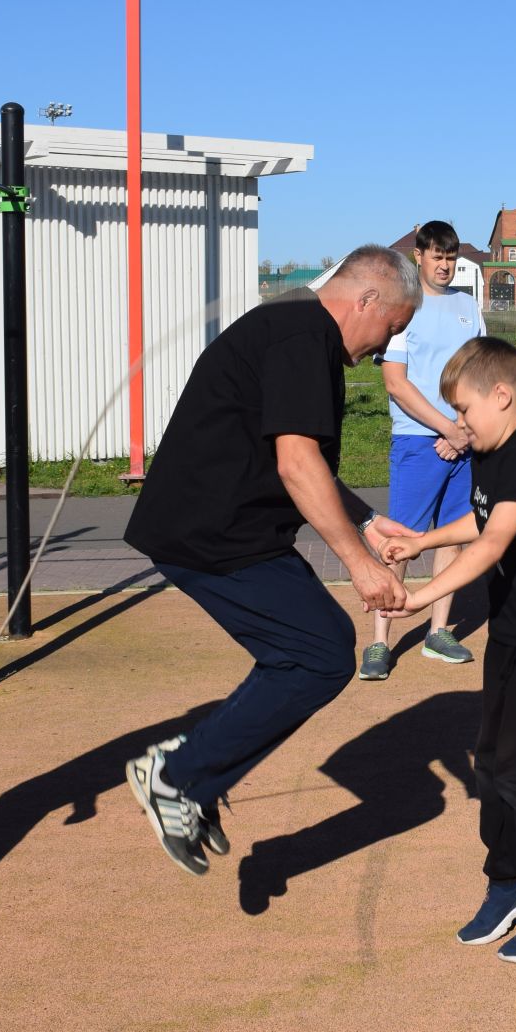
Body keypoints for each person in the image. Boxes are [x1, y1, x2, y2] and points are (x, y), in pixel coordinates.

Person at [122, 246, 422, 875]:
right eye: (392, 327)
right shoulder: (299, 337)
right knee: (320, 652)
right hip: (212, 534)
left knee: (303, 652)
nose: (385, 347)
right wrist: (360, 564)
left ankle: (188, 775)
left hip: (226, 530)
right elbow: (295, 461)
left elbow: (291, 448)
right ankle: (178, 775)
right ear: (367, 300)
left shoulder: (295, 332)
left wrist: (367, 520)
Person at [381, 337, 516, 963]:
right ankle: (507, 886)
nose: (458, 423)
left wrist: (422, 603)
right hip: (513, 630)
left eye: (464, 409)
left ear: (501, 396)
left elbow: (494, 544)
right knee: (491, 767)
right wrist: (420, 542)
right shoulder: (491, 452)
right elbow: (480, 520)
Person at [360, 221, 485, 681]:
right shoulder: (404, 306)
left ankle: (438, 632)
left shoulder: (468, 305)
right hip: (418, 441)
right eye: (437, 257)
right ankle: (378, 641)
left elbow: (479, 371)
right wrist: (447, 429)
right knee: (402, 543)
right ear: (419, 256)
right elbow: (396, 383)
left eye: (451, 258)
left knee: (453, 537)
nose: (446, 265)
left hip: (463, 440)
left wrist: (466, 429)